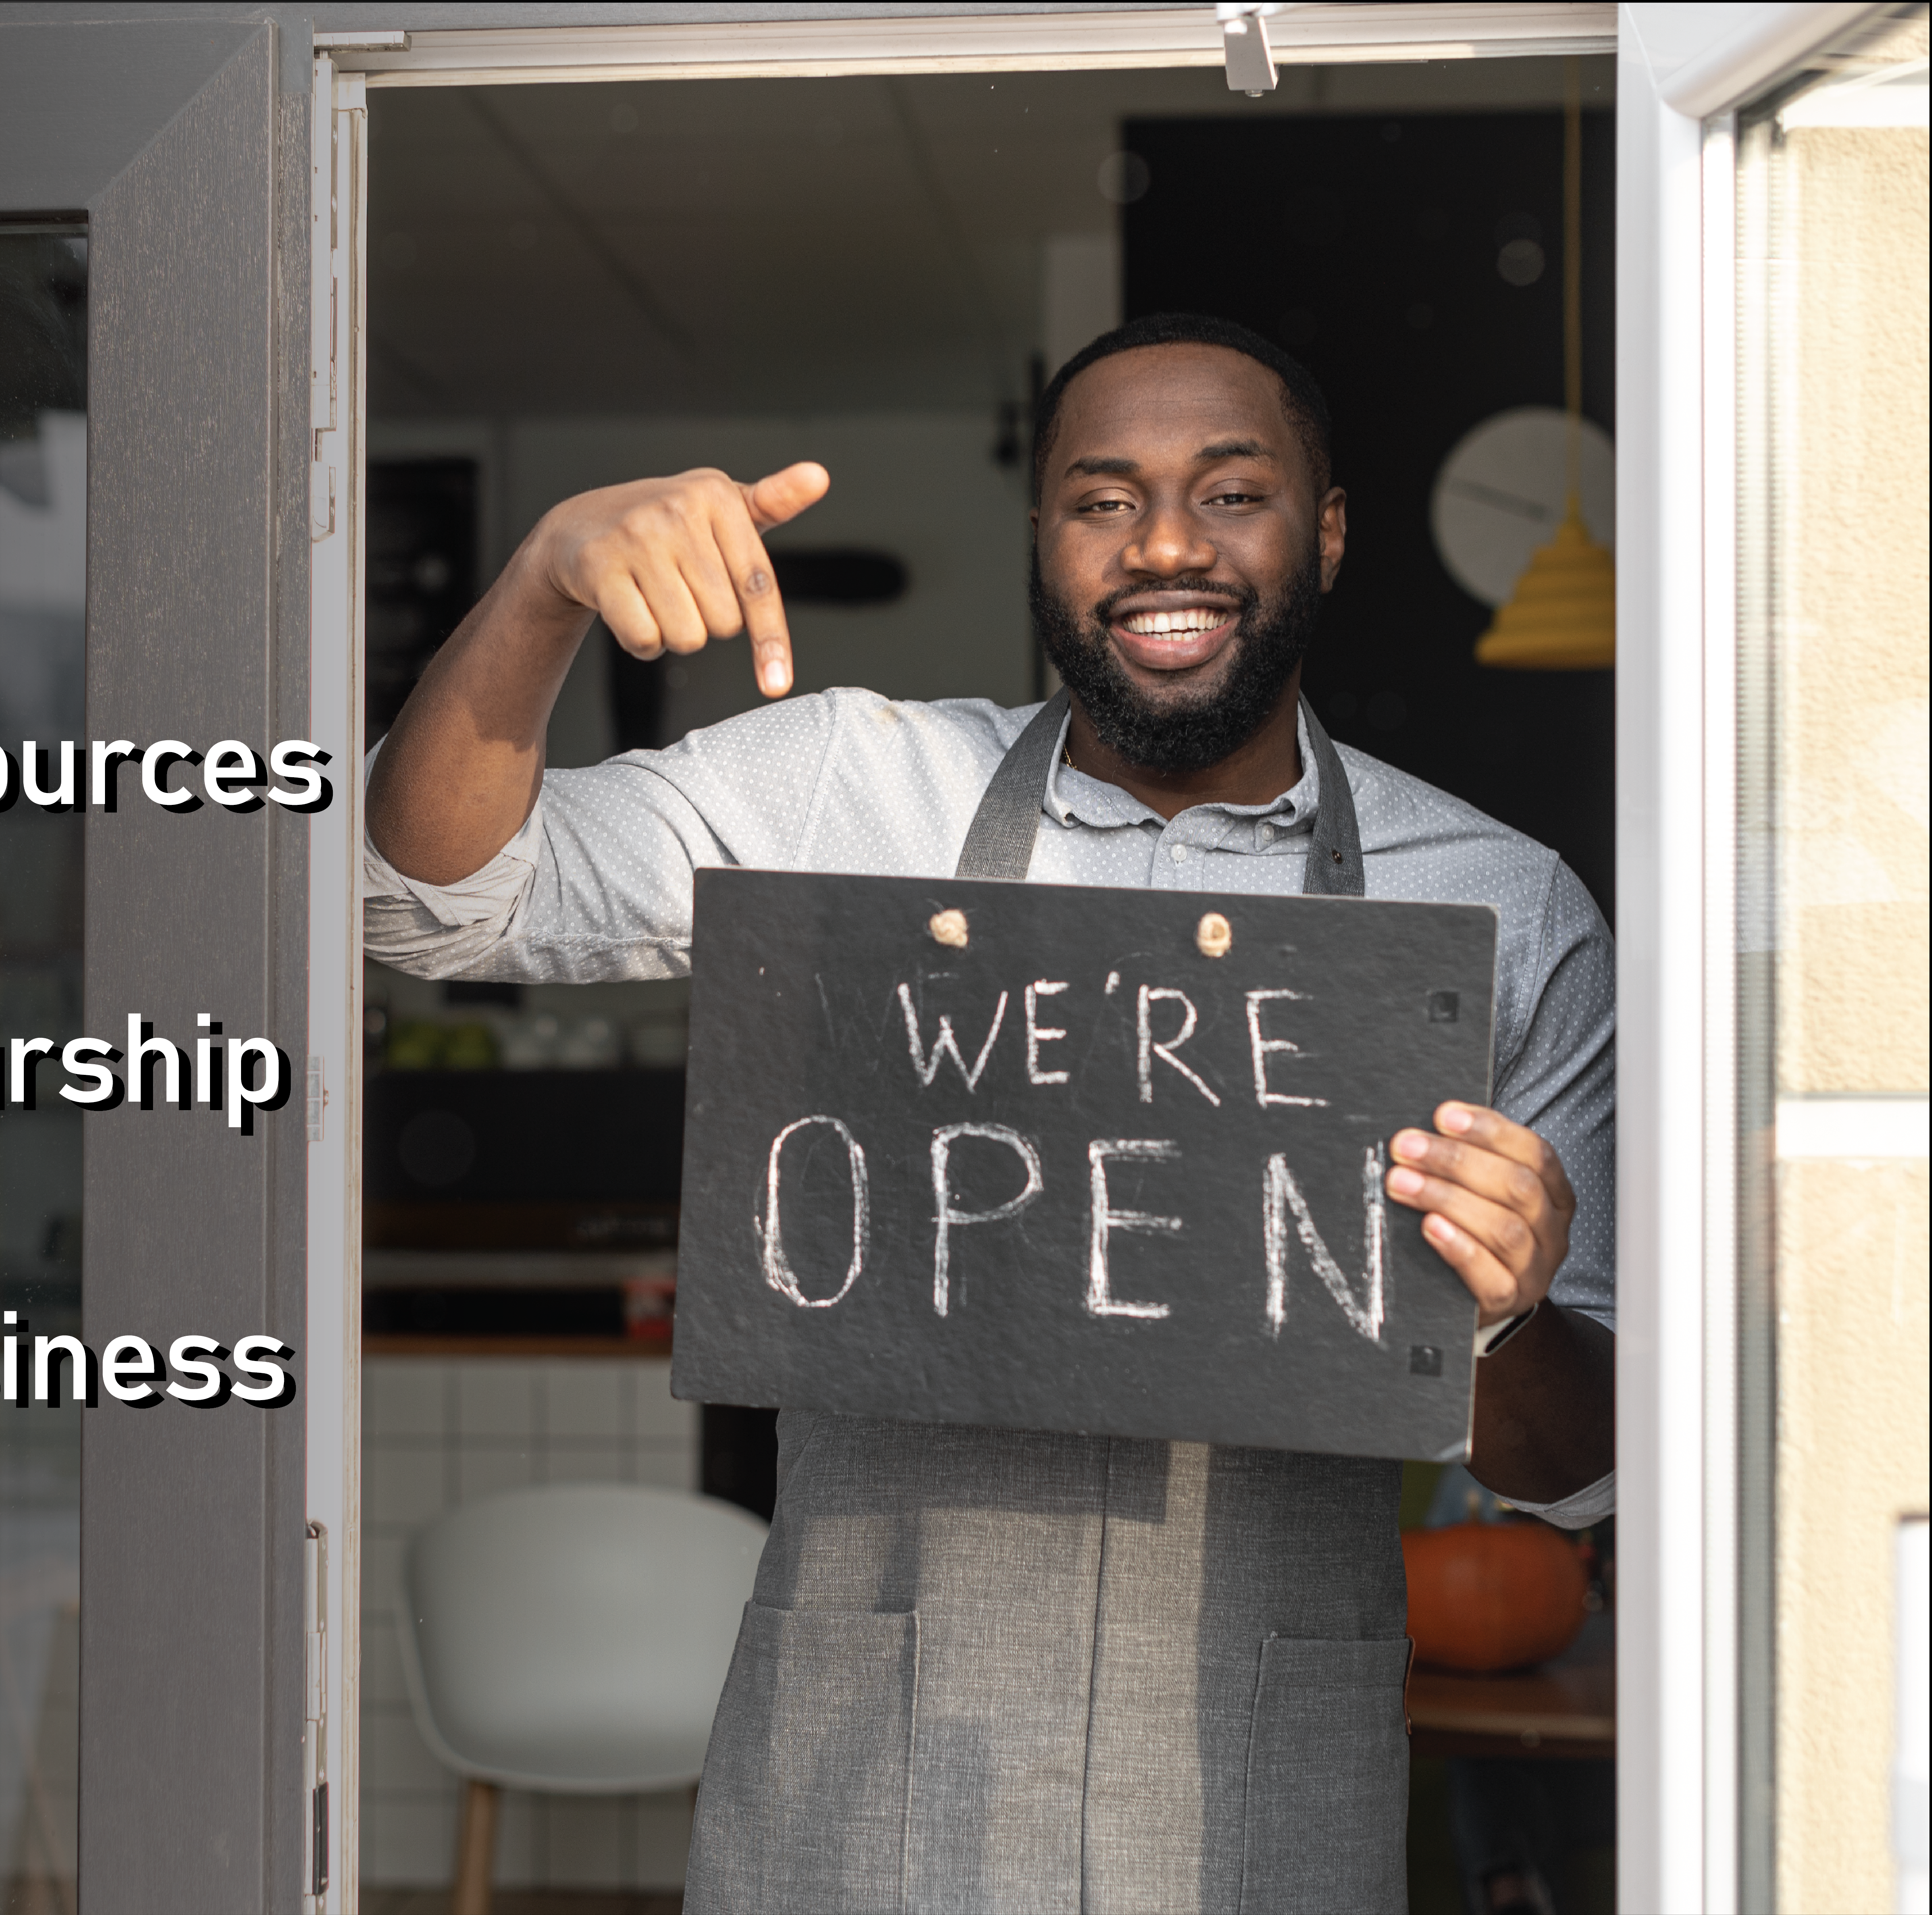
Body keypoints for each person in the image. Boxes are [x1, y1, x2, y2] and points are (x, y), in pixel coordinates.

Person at [364, 312, 1616, 1914]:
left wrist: (1502, 1320)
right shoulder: (841, 794)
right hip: (860, 1788)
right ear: (1042, 540)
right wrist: (542, 586)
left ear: (1325, 531)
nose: (1165, 543)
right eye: (1103, 500)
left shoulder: (1500, 908)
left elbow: (1575, 1468)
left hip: (1250, 1799)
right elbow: (422, 898)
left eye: (1231, 493)